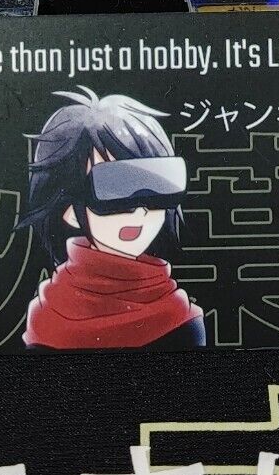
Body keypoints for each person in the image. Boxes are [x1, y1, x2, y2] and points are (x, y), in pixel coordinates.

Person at [20, 88, 207, 350]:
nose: (140, 210)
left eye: (155, 184)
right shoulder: (47, 316)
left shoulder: (180, 317)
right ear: (70, 210)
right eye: (115, 187)